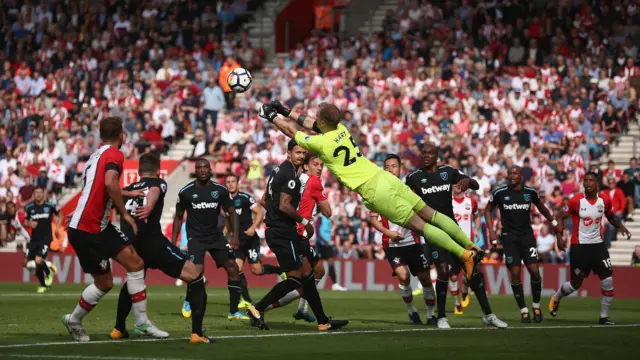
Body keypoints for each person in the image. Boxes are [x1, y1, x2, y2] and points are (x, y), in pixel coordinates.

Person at [260, 101, 483, 281]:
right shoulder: (341, 130)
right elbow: (310, 122)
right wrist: (286, 111)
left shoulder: (321, 144)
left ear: (321, 121)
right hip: (385, 177)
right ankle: (469, 243)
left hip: (375, 190)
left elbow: (292, 131)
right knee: (432, 214)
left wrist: (273, 116)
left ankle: (466, 255)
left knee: (422, 227)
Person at [63, 116, 167, 342]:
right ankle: (73, 320)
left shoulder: (95, 156)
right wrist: (124, 213)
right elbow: (110, 183)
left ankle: (141, 323)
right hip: (89, 229)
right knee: (105, 283)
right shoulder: (115, 155)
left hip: (98, 224)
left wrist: (126, 193)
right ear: (122, 135)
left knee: (136, 263)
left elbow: (97, 187)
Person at [245, 140, 348, 331]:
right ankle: (257, 307)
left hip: (282, 230)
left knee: (309, 276)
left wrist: (275, 218)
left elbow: (266, 201)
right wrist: (303, 222)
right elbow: (285, 205)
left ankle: (323, 321)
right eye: (298, 153)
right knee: (295, 278)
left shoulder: (277, 171)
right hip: (284, 233)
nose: (300, 156)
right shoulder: (290, 175)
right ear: (288, 153)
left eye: (303, 153)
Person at [405, 144, 507, 329]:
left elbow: (474, 184)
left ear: (437, 156)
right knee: (443, 271)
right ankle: (442, 317)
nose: (426, 155)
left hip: (452, 229)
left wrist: (469, 181)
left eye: (430, 153)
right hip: (432, 232)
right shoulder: (414, 178)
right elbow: (403, 200)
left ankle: (488, 315)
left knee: (472, 271)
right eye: (424, 153)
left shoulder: (448, 172)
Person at [110, 153, 202, 343]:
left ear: (138, 171)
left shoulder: (126, 190)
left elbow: (106, 201)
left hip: (132, 246)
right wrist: (150, 205)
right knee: (195, 276)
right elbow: (154, 190)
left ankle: (118, 329)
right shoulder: (159, 182)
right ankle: (197, 334)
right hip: (153, 244)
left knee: (133, 282)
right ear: (158, 171)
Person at [172, 157, 249, 341]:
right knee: (196, 275)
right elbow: (178, 217)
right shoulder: (186, 192)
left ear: (211, 169)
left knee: (233, 268)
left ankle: (233, 311)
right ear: (195, 170)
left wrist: (235, 235)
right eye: (200, 167)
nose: (203, 170)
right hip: (196, 238)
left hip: (215, 236)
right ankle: (189, 302)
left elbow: (232, 213)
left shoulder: (220, 191)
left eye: (206, 166)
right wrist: (173, 241)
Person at [550, 172, 632, 325]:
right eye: (585, 180)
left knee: (607, 280)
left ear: (597, 184)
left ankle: (603, 317)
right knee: (575, 284)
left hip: (598, 246)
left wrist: (622, 227)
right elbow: (560, 217)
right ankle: (557, 297)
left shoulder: (604, 200)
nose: (588, 183)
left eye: (591, 181)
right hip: (579, 247)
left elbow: (611, 215)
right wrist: (559, 238)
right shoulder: (576, 201)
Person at [262, 153, 335, 322]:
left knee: (317, 272)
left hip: (286, 231)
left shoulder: (291, 177)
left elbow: (264, 201)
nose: (319, 168)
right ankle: (260, 307)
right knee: (302, 280)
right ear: (306, 166)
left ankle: (304, 310)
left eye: (321, 165)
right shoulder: (314, 182)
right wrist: (319, 198)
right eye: (315, 164)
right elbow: (328, 212)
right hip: (299, 234)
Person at [485, 166, 558, 323]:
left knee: (534, 271)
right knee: (516, 274)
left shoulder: (530, 193)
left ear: (521, 176)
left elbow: (542, 208)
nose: (512, 175)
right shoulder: (500, 192)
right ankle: (523, 310)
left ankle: (536, 305)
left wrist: (555, 222)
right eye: (510, 173)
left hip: (527, 237)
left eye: (515, 173)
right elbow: (487, 210)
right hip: (509, 239)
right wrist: (491, 231)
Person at [369, 154, 437, 326]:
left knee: (426, 279)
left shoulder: (409, 190)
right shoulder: (378, 192)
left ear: (400, 169)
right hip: (392, 244)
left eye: (394, 166)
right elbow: (373, 219)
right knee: (404, 276)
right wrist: (387, 232)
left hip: (412, 242)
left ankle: (430, 315)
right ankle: (411, 311)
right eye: (387, 167)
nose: (390, 169)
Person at [224, 173, 281, 310]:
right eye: (228, 182)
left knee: (256, 270)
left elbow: (260, 213)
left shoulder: (245, 198)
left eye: (233, 181)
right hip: (237, 241)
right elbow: (228, 221)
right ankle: (247, 300)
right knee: (236, 269)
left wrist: (253, 227)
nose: (230, 184)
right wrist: (223, 235)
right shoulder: (225, 201)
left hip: (250, 239)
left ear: (238, 183)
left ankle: (280, 270)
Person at [23, 187, 62, 293]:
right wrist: (30, 223)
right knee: (26, 263)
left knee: (38, 261)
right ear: (33, 195)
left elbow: (60, 215)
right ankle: (46, 276)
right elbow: (25, 222)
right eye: (36, 193)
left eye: (40, 192)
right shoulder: (29, 207)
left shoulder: (50, 206)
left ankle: (46, 278)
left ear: (43, 194)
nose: (39, 195)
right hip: (34, 239)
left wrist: (57, 229)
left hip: (46, 237)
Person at [451, 183, 481, 312]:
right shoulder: (448, 201)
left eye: (459, 184)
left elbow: (477, 216)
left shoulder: (471, 201)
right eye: (455, 184)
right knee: (452, 275)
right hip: (452, 242)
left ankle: (464, 292)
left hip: (468, 243)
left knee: (468, 276)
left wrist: (476, 229)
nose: (457, 186)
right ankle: (457, 303)